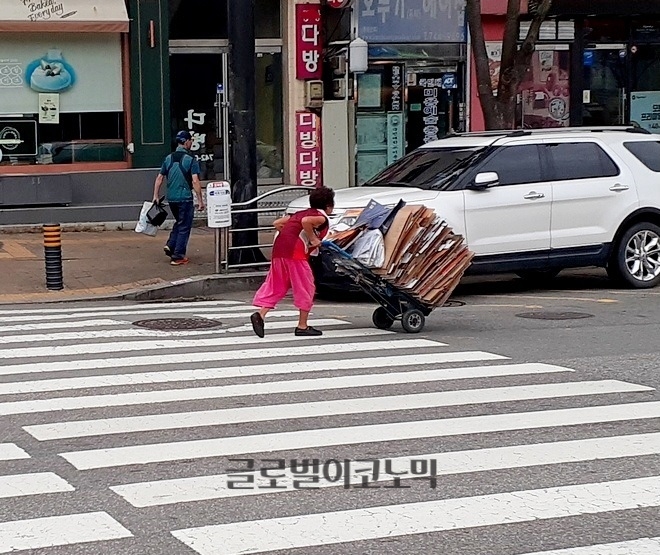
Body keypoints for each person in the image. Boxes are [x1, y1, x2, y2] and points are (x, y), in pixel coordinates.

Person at [250, 187, 335, 338]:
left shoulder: (299, 213)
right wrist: (313, 239)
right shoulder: (320, 217)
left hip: (279, 251)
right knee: (306, 286)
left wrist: (298, 236)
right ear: (328, 206)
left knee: (278, 284)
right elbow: (306, 222)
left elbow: (278, 223)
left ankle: (261, 314)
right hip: (295, 254)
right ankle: (302, 326)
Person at [153, 130, 205, 266]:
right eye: (190, 141)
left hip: (172, 199)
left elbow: (159, 178)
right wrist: (200, 200)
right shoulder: (190, 160)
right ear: (186, 142)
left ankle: (171, 245)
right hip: (185, 198)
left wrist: (155, 196)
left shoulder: (168, 158)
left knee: (180, 222)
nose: (191, 143)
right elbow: (195, 181)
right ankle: (178, 256)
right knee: (184, 226)